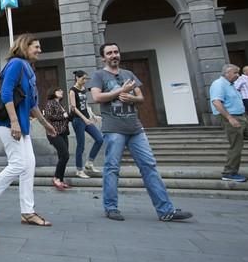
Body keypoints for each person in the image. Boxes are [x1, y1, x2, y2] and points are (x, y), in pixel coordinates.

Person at [90, 42, 193, 222]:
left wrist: (131, 98)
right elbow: (97, 97)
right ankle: (111, 208)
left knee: (149, 166)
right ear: (103, 57)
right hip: (114, 129)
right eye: (109, 53)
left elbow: (141, 98)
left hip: (135, 128)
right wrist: (121, 91)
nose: (114, 55)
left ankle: (166, 210)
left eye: (116, 52)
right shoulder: (99, 75)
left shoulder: (128, 74)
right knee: (112, 169)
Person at [0, 34, 56, 227]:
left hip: (20, 124)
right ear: (24, 47)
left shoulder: (29, 70)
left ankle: (27, 212)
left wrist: (46, 124)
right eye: (36, 46)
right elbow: (5, 92)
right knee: (19, 164)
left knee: (29, 165)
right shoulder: (16, 64)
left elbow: (33, 105)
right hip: (7, 123)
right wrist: (14, 122)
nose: (39, 50)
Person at [209, 63, 248, 183]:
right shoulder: (219, 84)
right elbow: (216, 102)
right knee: (236, 146)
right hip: (231, 117)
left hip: (243, 117)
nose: (238, 75)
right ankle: (229, 172)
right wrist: (229, 118)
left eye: (238, 72)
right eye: (235, 73)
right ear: (226, 73)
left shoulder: (232, 85)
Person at [69, 70, 104, 178]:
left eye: (86, 79)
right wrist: (84, 119)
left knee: (99, 139)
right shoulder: (72, 91)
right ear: (77, 78)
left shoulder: (83, 89)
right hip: (78, 120)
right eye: (83, 78)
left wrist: (92, 115)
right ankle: (79, 170)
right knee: (81, 145)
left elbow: (85, 105)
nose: (85, 81)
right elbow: (74, 108)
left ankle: (89, 163)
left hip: (86, 119)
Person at [43, 87, 71, 191]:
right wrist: (63, 116)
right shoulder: (51, 103)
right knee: (65, 155)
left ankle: (60, 179)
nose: (61, 91)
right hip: (54, 133)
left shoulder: (60, 104)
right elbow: (49, 116)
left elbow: (66, 117)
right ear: (53, 92)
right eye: (58, 90)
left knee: (62, 156)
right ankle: (56, 178)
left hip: (63, 133)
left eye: (61, 90)